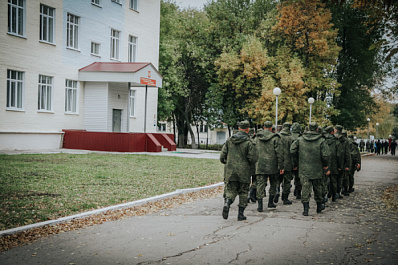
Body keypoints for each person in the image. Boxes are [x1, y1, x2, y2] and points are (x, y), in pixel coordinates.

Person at [220, 121, 258, 221]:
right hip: (244, 172)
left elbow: (222, 156)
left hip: (230, 171)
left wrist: (228, 164)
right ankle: (240, 214)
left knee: (231, 190)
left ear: (239, 128)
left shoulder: (229, 140)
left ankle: (227, 203)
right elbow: (253, 158)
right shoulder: (249, 142)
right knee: (243, 192)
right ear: (248, 129)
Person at [290, 122, 330, 216]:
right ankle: (319, 207)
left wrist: (297, 161)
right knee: (318, 188)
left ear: (308, 128)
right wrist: (325, 165)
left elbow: (292, 150)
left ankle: (306, 209)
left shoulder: (300, 139)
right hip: (317, 168)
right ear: (317, 129)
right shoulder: (321, 140)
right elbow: (326, 155)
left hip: (304, 168)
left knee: (305, 188)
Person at [255, 121, 284, 212]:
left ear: (263, 127)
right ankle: (270, 202)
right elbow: (279, 153)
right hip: (273, 165)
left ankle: (260, 205)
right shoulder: (275, 138)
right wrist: (281, 166)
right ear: (271, 128)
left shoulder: (257, 137)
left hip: (260, 164)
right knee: (273, 183)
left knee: (260, 184)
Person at [323, 126, 342, 202]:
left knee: (324, 181)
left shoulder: (323, 141)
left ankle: (325, 194)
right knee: (333, 181)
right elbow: (339, 155)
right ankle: (334, 195)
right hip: (334, 164)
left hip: (325, 164)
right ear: (332, 132)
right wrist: (340, 166)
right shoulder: (336, 142)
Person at [278, 122, 294, 205]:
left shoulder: (277, 136)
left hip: (278, 162)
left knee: (277, 180)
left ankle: (276, 192)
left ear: (283, 127)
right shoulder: (291, 138)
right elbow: (294, 152)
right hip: (288, 162)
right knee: (287, 181)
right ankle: (285, 198)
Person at [334, 126, 351, 199]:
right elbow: (347, 154)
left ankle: (332, 192)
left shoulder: (332, 138)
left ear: (336, 130)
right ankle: (338, 192)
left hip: (333, 161)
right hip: (342, 161)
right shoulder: (345, 140)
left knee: (333, 178)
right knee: (340, 178)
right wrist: (348, 164)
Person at [291, 123, 302, 199]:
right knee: (298, 178)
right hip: (299, 161)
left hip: (288, 160)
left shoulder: (289, 136)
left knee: (287, 178)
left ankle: (284, 195)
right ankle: (298, 192)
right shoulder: (301, 138)